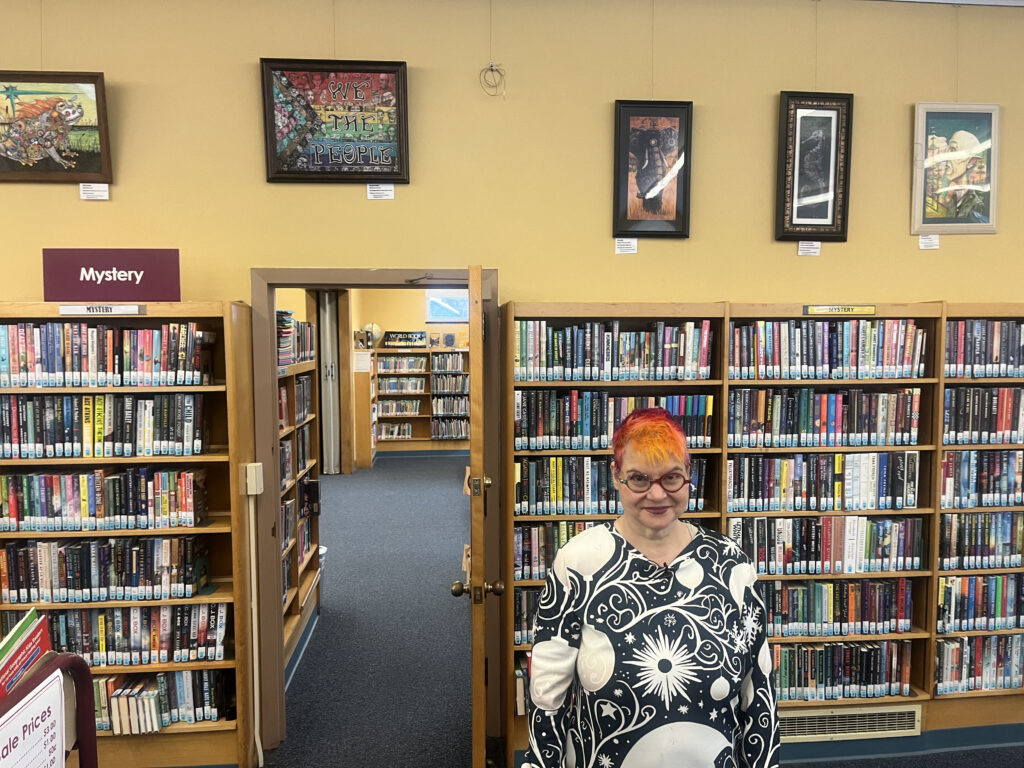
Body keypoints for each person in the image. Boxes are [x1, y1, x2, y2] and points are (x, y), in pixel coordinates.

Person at [525, 408, 779, 768]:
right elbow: (546, 700)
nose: (657, 494)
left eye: (671, 478)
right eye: (640, 479)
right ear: (616, 476)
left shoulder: (731, 565)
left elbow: (760, 694)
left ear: (690, 476)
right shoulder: (578, 564)